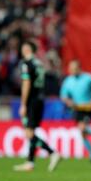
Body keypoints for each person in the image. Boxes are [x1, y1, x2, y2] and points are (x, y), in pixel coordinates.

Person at [13, 40, 61, 172]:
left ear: (27, 49)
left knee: (29, 133)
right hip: (40, 99)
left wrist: (23, 104)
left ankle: (52, 153)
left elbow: (26, 83)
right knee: (31, 131)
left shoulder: (26, 64)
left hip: (32, 101)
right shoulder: (39, 63)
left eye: (23, 47)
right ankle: (30, 162)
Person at [60, 60, 91, 163]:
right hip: (77, 108)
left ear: (79, 68)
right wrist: (68, 101)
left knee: (82, 128)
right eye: (70, 69)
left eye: (74, 68)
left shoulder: (88, 78)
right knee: (82, 132)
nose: (72, 71)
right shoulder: (68, 81)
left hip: (87, 108)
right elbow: (63, 95)